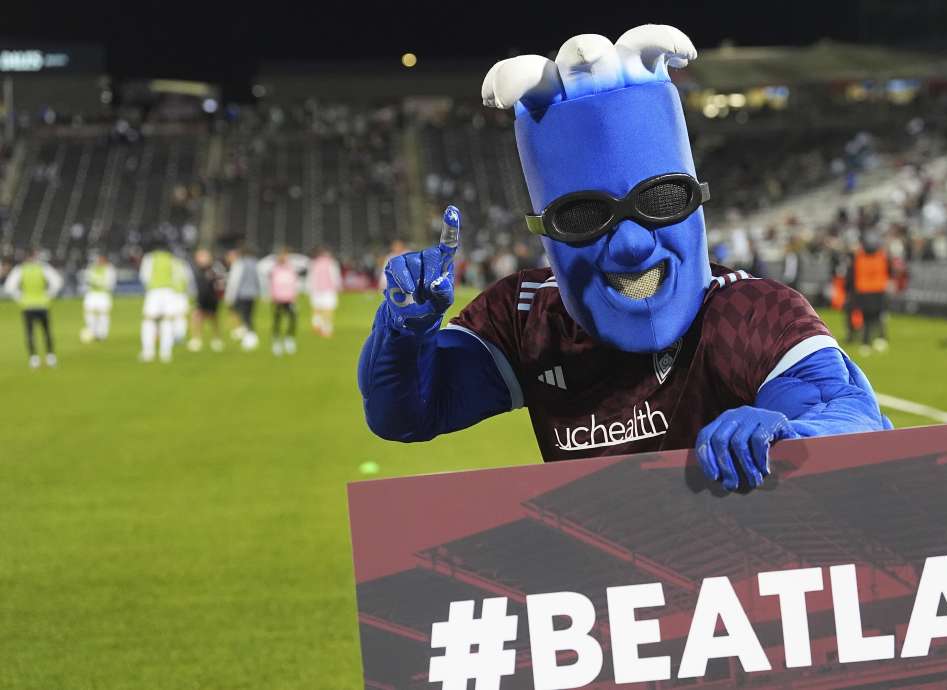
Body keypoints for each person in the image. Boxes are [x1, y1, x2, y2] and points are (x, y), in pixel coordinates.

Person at [359, 25, 890, 492]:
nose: (633, 244)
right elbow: (407, 411)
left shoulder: (750, 312)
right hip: (614, 589)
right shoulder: (527, 320)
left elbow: (845, 412)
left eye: (661, 202)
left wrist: (793, 433)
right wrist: (403, 333)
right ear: (546, 231)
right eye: (585, 216)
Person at [5, 250, 63, 368]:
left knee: (30, 333)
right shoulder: (43, 268)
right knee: (46, 332)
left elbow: (9, 287)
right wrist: (48, 295)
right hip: (42, 304)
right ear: (35, 257)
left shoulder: (20, 269)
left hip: (28, 305)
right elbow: (57, 282)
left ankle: (34, 358)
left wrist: (20, 298)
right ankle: (50, 357)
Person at [139, 241, 188, 363]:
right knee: (167, 321)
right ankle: (166, 354)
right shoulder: (172, 259)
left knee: (149, 320)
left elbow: (144, 276)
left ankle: (148, 352)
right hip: (169, 293)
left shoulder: (149, 258)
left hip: (154, 292)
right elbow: (180, 276)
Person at [847, 230, 892, 353]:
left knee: (867, 318)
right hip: (877, 290)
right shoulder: (882, 256)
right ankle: (881, 338)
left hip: (865, 291)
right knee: (878, 316)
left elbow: (852, 275)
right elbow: (890, 271)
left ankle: (866, 342)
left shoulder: (859, 257)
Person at [188, 248, 226, 353]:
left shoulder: (215, 268)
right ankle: (196, 339)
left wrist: (220, 294)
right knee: (197, 316)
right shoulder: (196, 269)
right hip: (201, 297)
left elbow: (221, 282)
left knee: (214, 318)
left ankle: (216, 339)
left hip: (212, 297)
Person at [224, 246, 261, 352]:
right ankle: (250, 336)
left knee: (244, 316)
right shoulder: (255, 263)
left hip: (242, 294)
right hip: (253, 294)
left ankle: (249, 338)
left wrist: (229, 296)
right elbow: (259, 279)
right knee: (249, 315)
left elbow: (234, 281)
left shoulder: (240, 264)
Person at [267, 247, 300, 356]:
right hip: (278, 299)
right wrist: (272, 296)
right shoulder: (275, 270)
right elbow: (272, 284)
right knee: (277, 320)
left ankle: (289, 340)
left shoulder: (291, 268)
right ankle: (276, 342)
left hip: (289, 299)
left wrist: (295, 296)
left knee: (292, 319)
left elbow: (294, 283)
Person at [80, 253, 116, 343]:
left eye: (102, 259)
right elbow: (86, 278)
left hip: (103, 294)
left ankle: (102, 334)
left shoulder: (110, 269)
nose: (100, 261)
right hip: (91, 294)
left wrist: (96, 282)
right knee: (89, 313)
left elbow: (110, 284)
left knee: (103, 315)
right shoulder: (91, 267)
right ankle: (92, 332)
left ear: (105, 260)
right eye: (99, 259)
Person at [308, 247, 341, 337]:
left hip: (316, 290)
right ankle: (326, 329)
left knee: (317, 309)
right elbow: (334, 276)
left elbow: (311, 278)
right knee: (328, 310)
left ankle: (317, 324)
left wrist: (310, 289)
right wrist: (338, 286)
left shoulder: (314, 263)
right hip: (328, 290)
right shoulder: (331, 263)